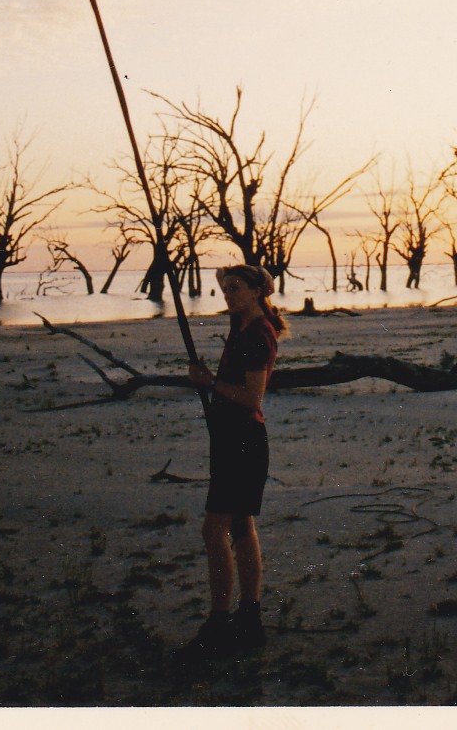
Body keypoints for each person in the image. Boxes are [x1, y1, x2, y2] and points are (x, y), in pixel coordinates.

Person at [182, 263, 285, 657]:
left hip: (243, 442)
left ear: (257, 291)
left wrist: (209, 382)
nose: (228, 296)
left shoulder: (258, 334)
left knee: (214, 531)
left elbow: (252, 398)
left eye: (236, 289)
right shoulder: (240, 326)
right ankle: (249, 617)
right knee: (242, 526)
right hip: (230, 439)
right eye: (225, 290)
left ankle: (221, 620)